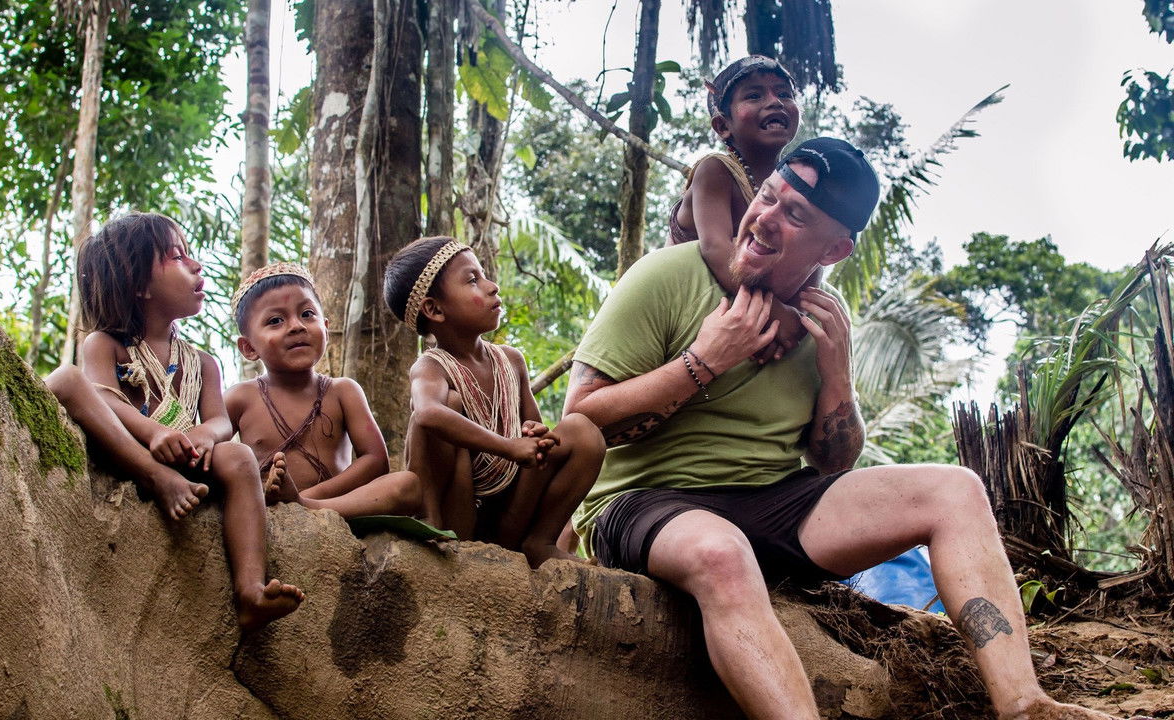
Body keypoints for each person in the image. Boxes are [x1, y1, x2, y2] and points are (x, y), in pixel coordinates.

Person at [563, 138, 1132, 720]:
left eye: (794, 214)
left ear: (835, 248)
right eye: (767, 196)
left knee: (956, 489)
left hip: (772, 503)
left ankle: (1025, 704)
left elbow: (833, 463)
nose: (764, 218)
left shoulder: (822, 316)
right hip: (643, 503)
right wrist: (703, 362)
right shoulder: (666, 276)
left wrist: (837, 375)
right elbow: (580, 415)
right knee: (721, 552)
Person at [44, 212, 303, 630]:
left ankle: (251, 591)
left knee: (238, 456)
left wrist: (201, 435)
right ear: (139, 285)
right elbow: (103, 399)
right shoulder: (105, 345)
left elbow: (220, 422)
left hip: (187, 458)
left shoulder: (202, 362)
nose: (196, 265)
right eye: (177, 257)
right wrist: (153, 433)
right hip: (128, 452)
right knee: (66, 379)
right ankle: (156, 478)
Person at [384, 237, 604, 568]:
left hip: (512, 514)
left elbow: (534, 432)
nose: (492, 286)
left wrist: (534, 434)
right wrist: (507, 447)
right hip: (459, 519)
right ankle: (430, 524)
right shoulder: (431, 367)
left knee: (582, 431)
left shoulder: (511, 361)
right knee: (446, 405)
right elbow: (428, 413)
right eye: (473, 279)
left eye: (484, 275)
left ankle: (539, 542)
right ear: (434, 309)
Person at [225, 262, 422, 519]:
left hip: (336, 508)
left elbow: (375, 461)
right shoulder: (240, 398)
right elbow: (212, 456)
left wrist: (304, 499)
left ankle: (308, 506)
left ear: (326, 329)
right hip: (267, 509)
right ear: (249, 347)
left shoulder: (343, 391)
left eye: (307, 314)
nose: (296, 326)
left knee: (407, 484)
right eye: (275, 321)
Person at [673, 55, 812, 360]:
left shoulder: (795, 188)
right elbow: (716, 248)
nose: (774, 101)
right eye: (754, 95)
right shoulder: (715, 170)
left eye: (784, 93)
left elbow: (811, 259)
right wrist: (775, 314)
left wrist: (794, 317)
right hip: (682, 316)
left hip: (745, 325)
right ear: (723, 125)